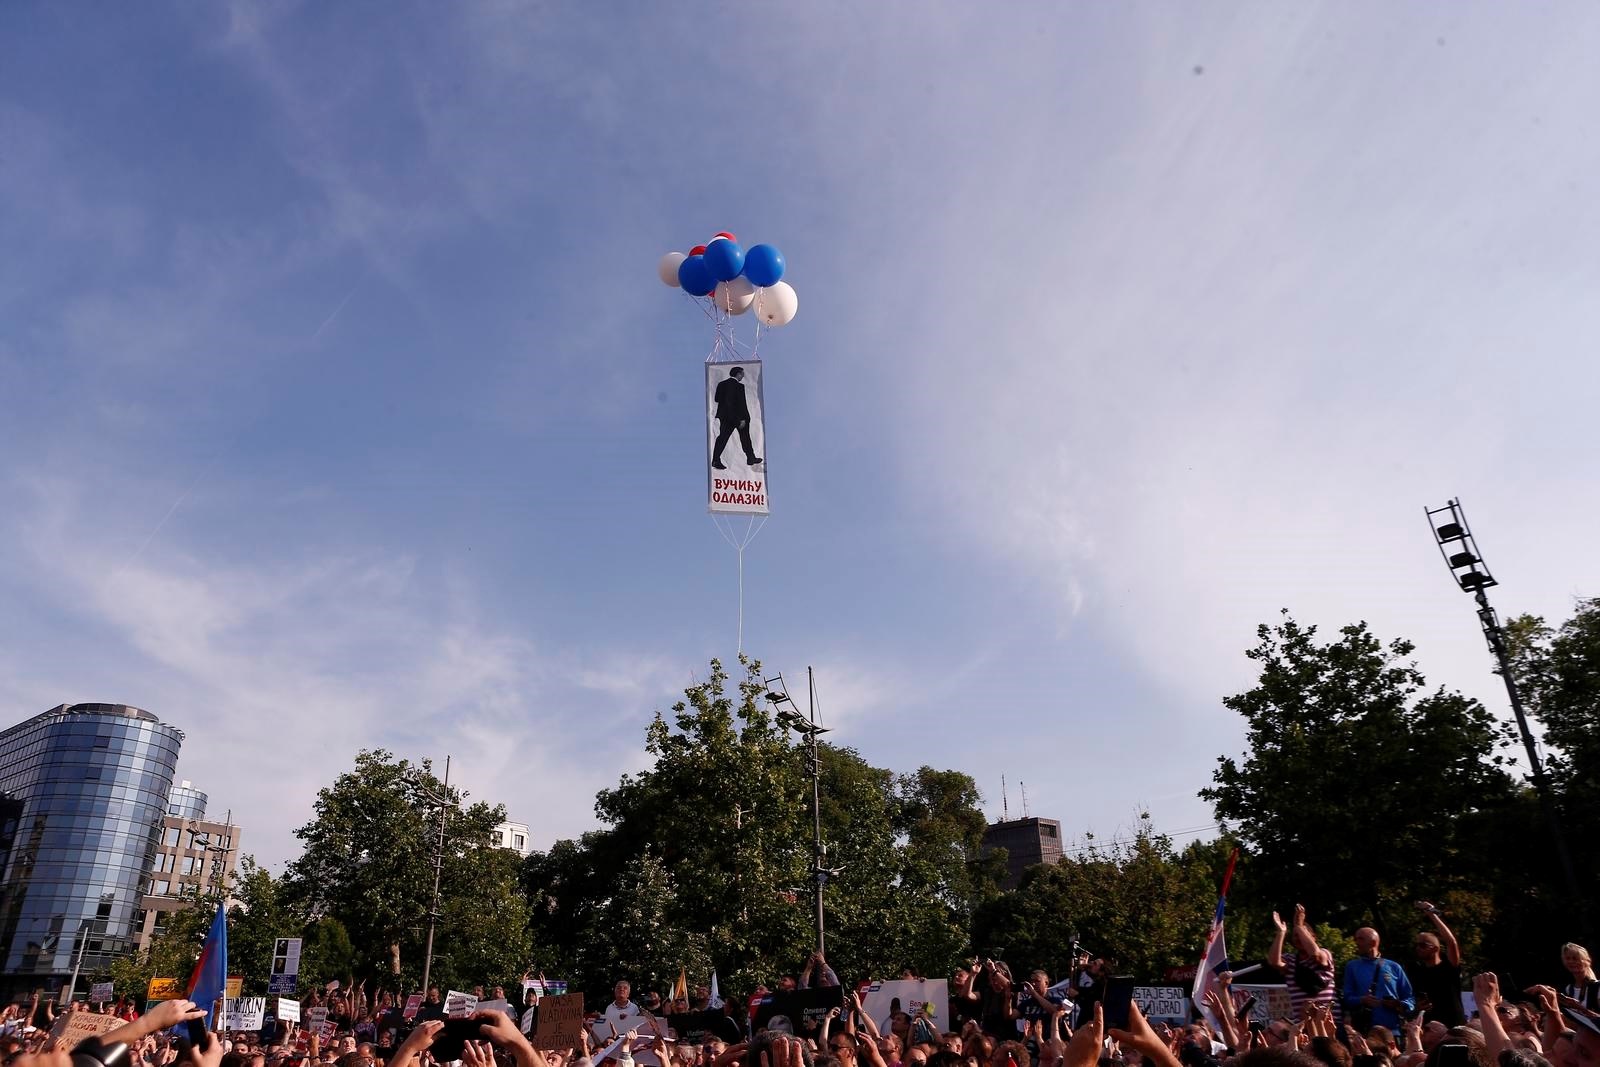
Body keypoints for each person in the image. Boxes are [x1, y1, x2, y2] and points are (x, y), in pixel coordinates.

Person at [1267, 905, 1336, 1024]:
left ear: (1313, 937)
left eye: (1301, 934)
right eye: (1295, 935)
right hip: (1303, 1023)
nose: (1298, 938)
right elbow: (1274, 962)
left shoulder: (1325, 954)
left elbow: (1316, 955)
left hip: (1329, 1023)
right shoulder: (1291, 960)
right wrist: (1281, 933)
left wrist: (1299, 925)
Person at [1343, 928, 1415, 1034]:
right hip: (1365, 1031)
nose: (1357, 943)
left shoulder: (1394, 967)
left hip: (1393, 1031)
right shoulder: (1352, 967)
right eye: (1356, 939)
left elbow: (1410, 998)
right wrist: (1362, 1000)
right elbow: (1346, 998)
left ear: (1373, 942)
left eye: (1361, 939)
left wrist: (1399, 1004)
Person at [1410, 902, 1464, 1027]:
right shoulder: (1417, 971)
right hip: (1429, 1027)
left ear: (1435, 949)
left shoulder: (1448, 966)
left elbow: (1451, 942)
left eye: (1423, 945)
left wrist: (1432, 914)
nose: (1418, 948)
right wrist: (1417, 1007)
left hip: (1453, 1025)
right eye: (1417, 945)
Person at [710, 367, 761, 470]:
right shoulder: (738, 386)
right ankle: (750, 458)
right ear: (738, 374)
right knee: (745, 438)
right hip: (739, 418)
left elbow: (717, 399)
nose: (743, 376)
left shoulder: (721, 384)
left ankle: (716, 460)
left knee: (723, 438)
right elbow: (740, 404)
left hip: (725, 416)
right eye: (742, 374)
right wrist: (741, 419)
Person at [1561, 944, 1600, 1011]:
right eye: (1567, 958)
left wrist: (1580, 1008)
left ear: (1587, 962)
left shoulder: (1597, 987)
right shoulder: (1569, 989)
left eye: (1575, 958)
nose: (1571, 961)